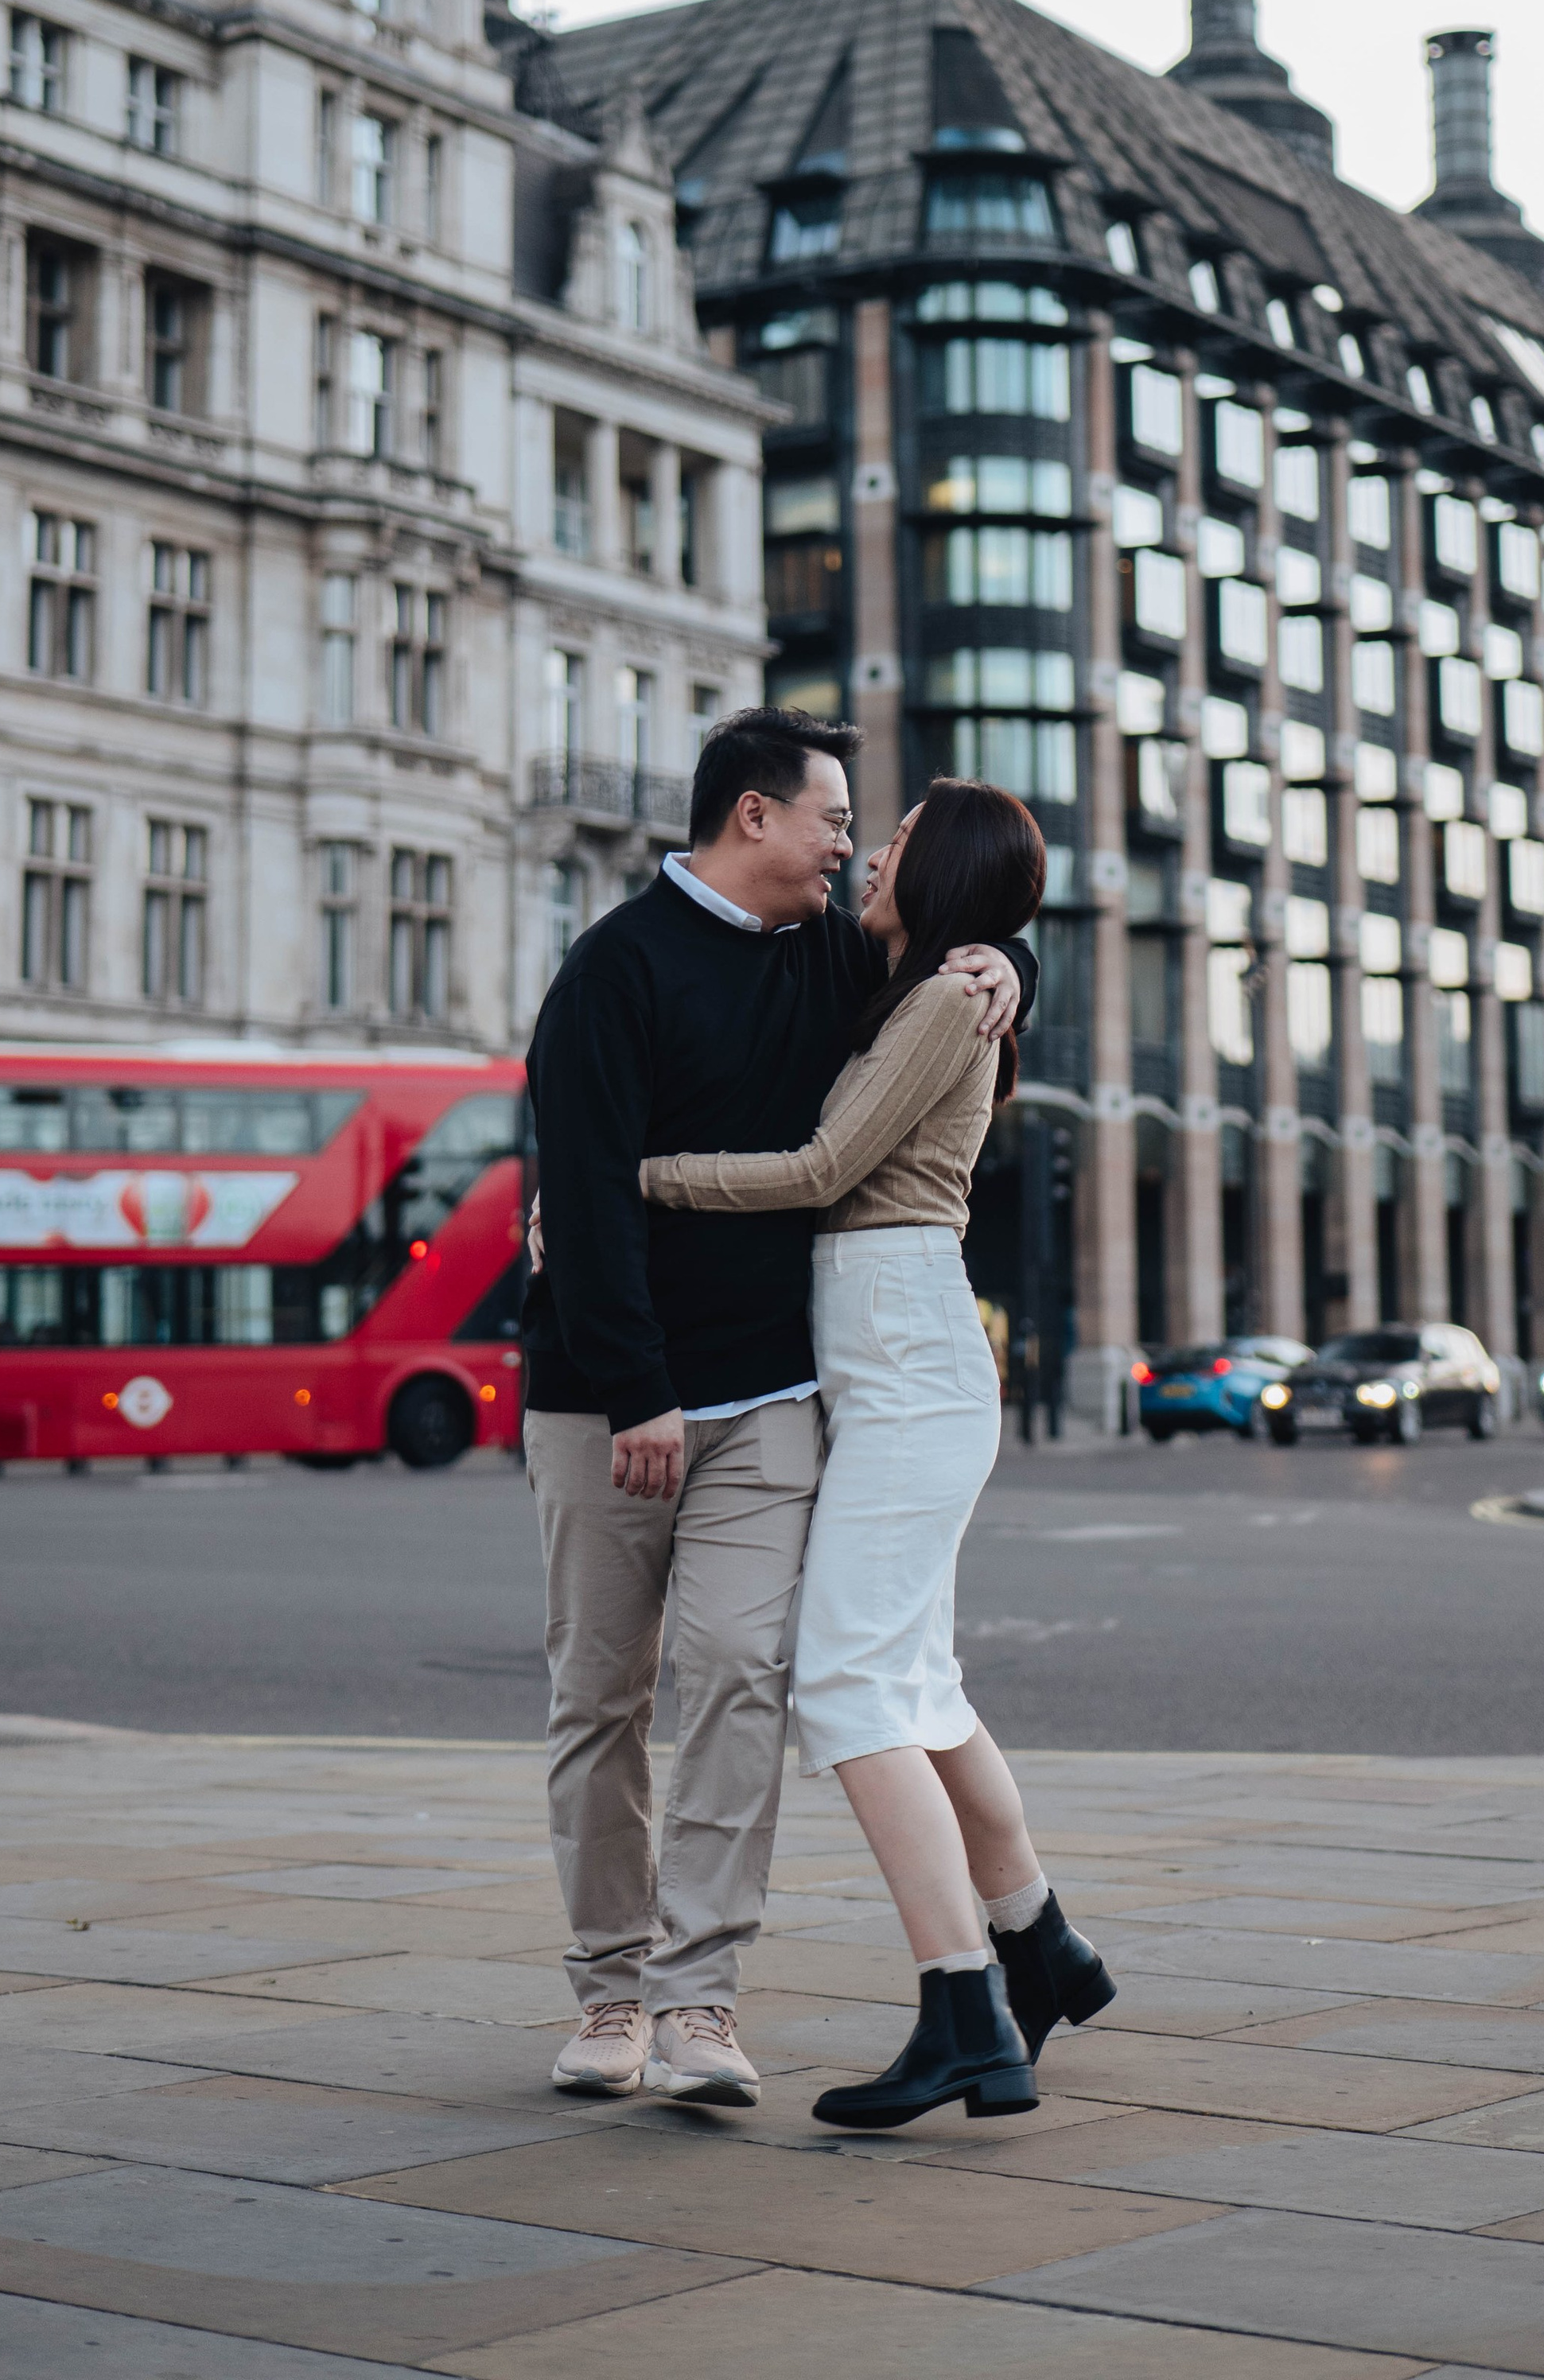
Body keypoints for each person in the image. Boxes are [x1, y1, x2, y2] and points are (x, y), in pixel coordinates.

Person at [522, 710, 1033, 2108]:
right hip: (605, 1398)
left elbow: (947, 964)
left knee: (747, 1678)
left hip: (769, 1397)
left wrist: (1011, 962)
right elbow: (581, 1185)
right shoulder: (610, 970)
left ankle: (699, 2002)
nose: (850, 847)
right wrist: (634, 1389)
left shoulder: (829, 950)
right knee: (601, 1698)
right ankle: (611, 1996)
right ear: (754, 815)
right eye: (831, 821)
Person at [640, 777, 1114, 2129]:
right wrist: (1015, 952)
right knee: (912, 1677)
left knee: (847, 1690)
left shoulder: (945, 999)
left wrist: (645, 1173)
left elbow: (822, 1164)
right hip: (894, 1354)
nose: (868, 852)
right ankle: (1039, 1946)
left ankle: (965, 2008)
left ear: (944, 871)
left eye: (897, 840)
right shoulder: (924, 979)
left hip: (907, 1355)